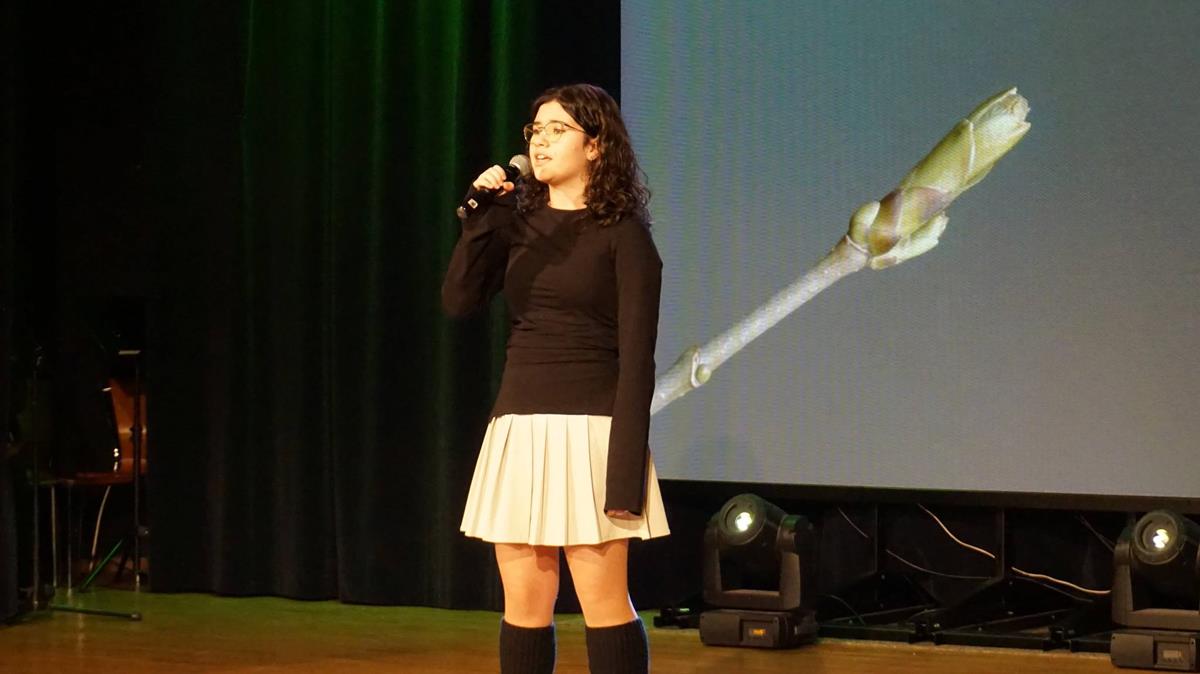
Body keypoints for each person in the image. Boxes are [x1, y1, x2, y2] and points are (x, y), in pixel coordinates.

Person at [442, 83, 670, 674]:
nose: (540, 141)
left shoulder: (624, 234)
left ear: (595, 146)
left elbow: (638, 359)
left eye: (557, 130)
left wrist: (624, 473)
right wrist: (480, 220)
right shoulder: (518, 224)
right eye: (535, 130)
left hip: (592, 430)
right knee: (524, 603)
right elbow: (459, 301)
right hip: (519, 422)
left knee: (602, 601)